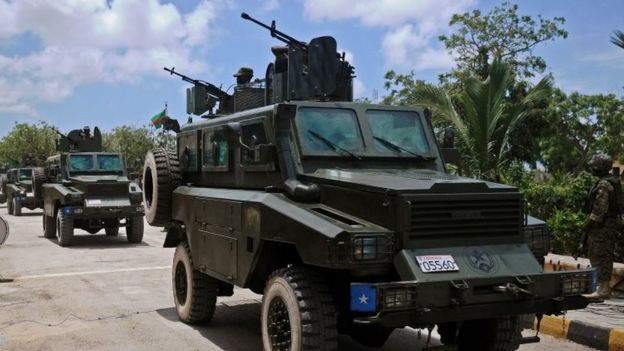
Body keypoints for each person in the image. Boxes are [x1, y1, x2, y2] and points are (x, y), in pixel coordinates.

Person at [582, 153, 622, 299]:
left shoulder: (604, 184)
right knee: (599, 255)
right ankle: (602, 288)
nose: (592, 168)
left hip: (603, 228)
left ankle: (603, 290)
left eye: (594, 165)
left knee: (601, 255)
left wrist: (586, 226)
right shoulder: (606, 181)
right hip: (605, 227)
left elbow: (599, 211)